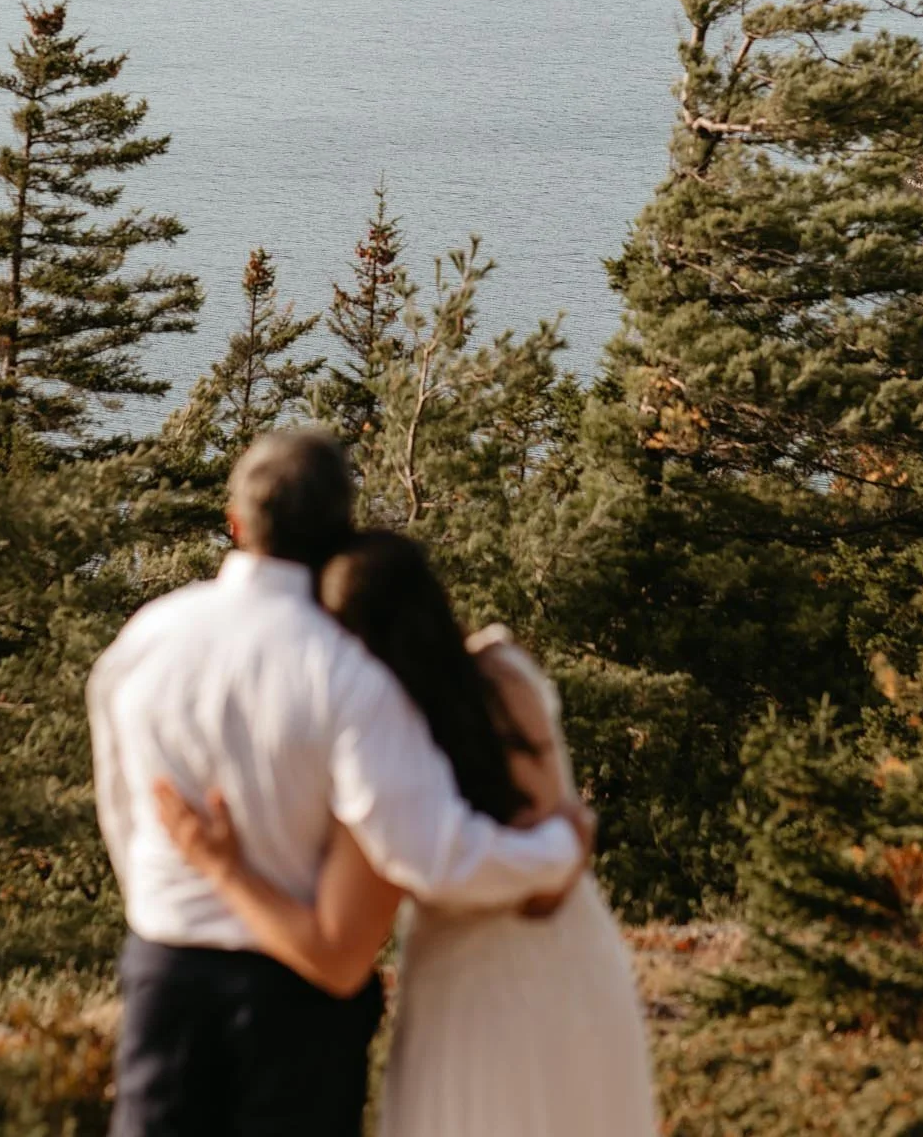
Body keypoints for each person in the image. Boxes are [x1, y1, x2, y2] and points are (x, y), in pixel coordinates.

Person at [87, 429, 589, 1137]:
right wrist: (556, 849)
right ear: (339, 529)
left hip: (163, 979)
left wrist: (166, 903)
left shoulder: (147, 637)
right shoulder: (348, 674)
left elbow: (121, 808)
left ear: (234, 523)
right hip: (295, 1005)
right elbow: (427, 852)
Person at [156, 529, 659, 1137]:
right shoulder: (498, 680)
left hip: (476, 989)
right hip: (568, 965)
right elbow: (553, 872)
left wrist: (224, 865)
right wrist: (567, 846)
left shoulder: (382, 742)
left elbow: (529, 892)